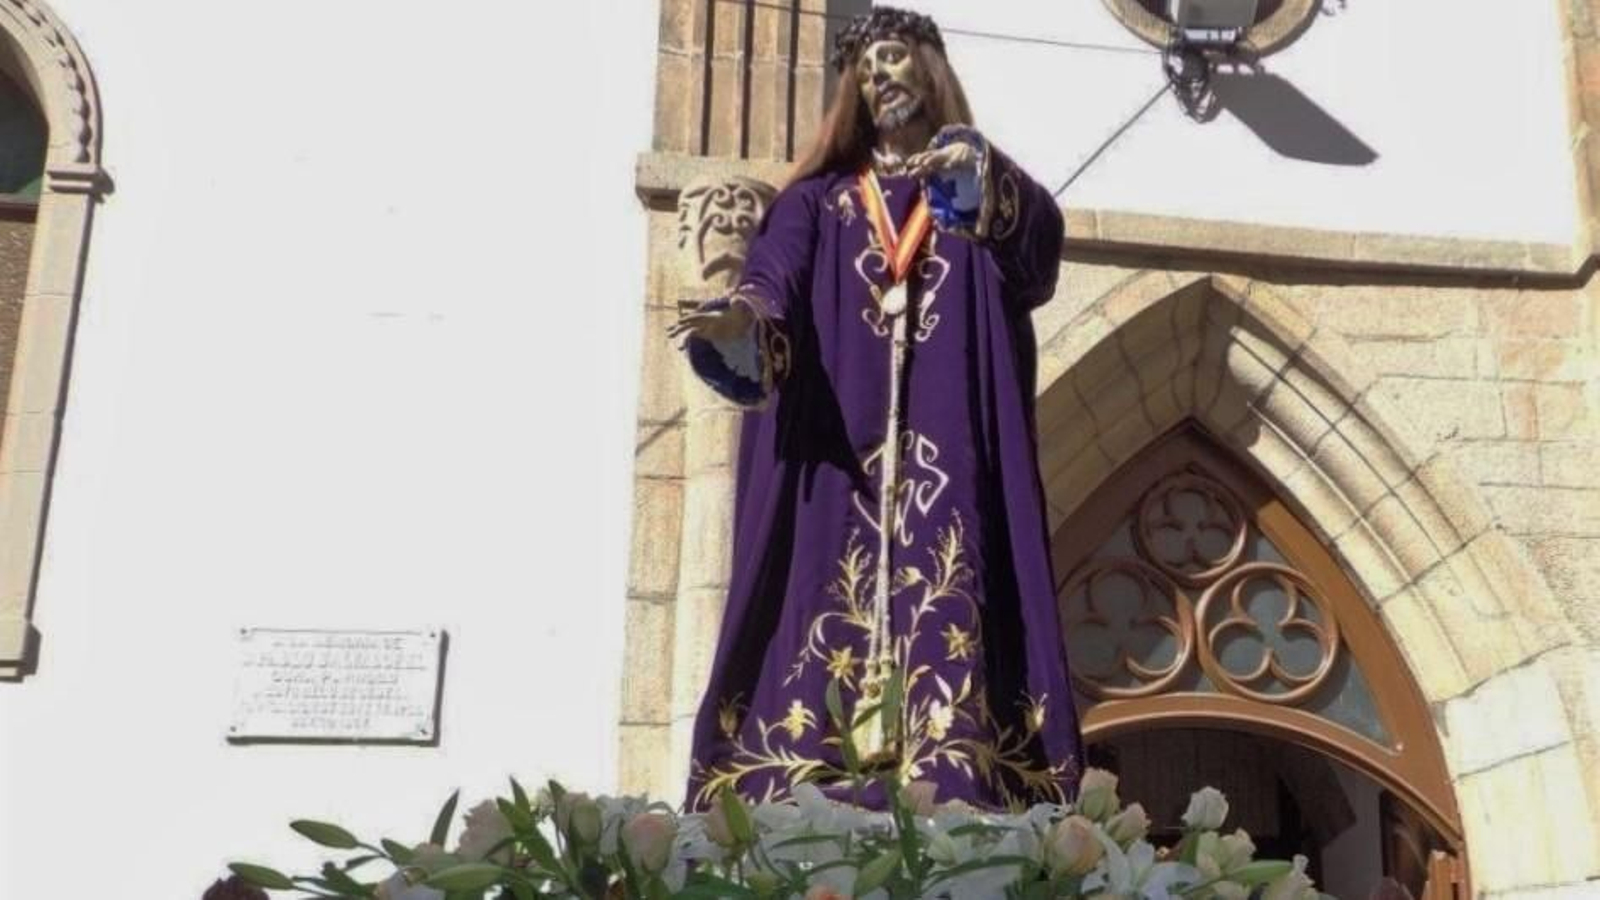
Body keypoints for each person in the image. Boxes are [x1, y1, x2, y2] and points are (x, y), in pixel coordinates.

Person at [669, 6, 1084, 812]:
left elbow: (1037, 253)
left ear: (930, 67)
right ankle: (803, 777)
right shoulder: (819, 203)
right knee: (814, 597)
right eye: (865, 72)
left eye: (892, 60)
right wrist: (741, 323)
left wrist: (978, 177)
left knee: (960, 605)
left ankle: (958, 776)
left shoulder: (969, 185)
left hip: (949, 458)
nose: (880, 80)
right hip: (837, 462)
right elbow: (773, 277)